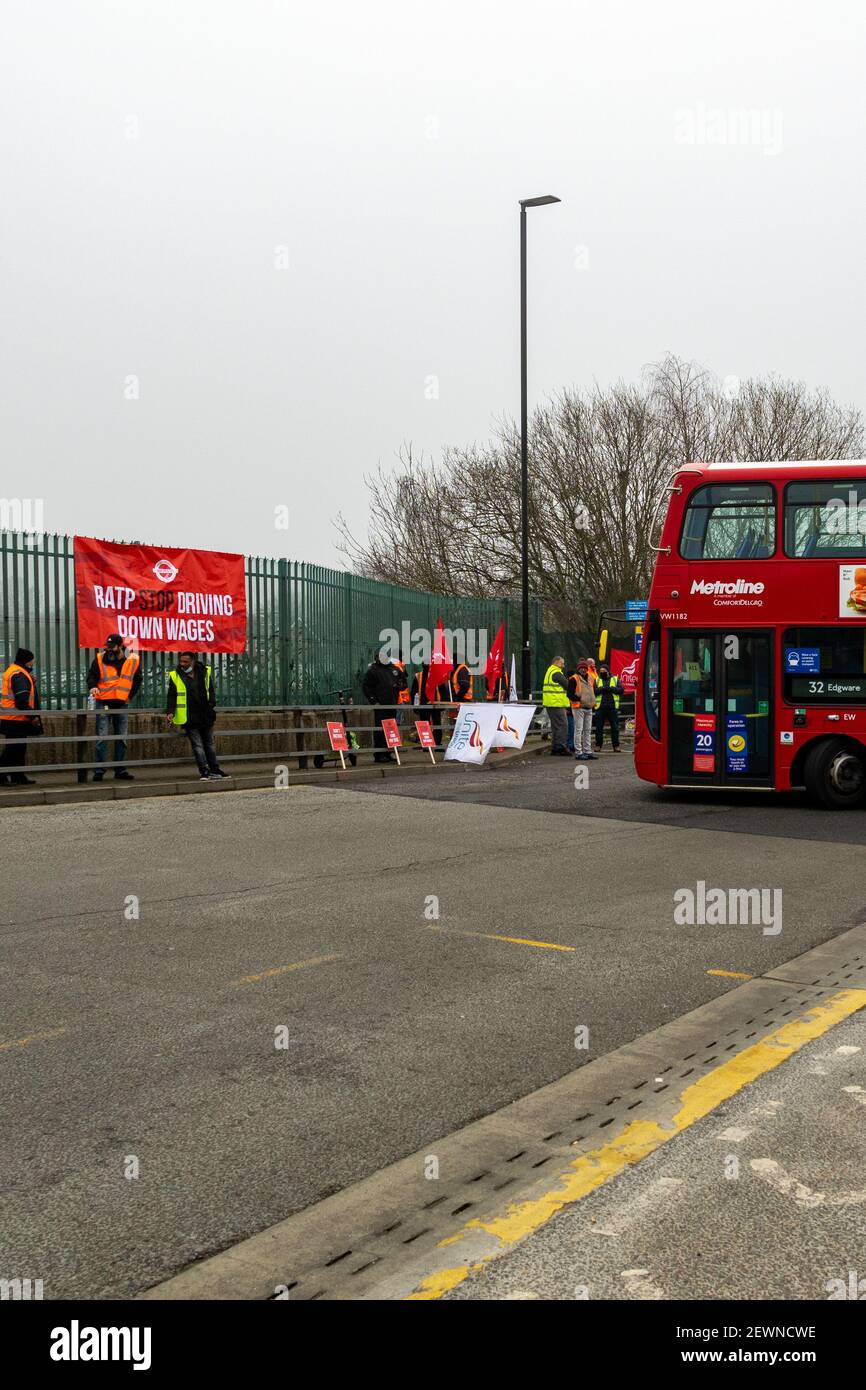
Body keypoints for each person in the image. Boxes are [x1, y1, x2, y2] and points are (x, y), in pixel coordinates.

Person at [165, 651, 229, 780]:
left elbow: (210, 689)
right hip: (189, 716)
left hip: (205, 714)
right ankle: (204, 771)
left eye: (186, 662)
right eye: (181, 661)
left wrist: (211, 704)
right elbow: (172, 695)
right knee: (197, 745)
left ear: (193, 661)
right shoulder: (175, 675)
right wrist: (170, 712)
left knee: (209, 744)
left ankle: (215, 770)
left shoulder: (204, 672)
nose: (182, 664)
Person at [87, 633, 142, 781]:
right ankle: (99, 770)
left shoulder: (131, 661)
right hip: (104, 702)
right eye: (108, 647)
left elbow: (137, 679)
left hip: (122, 703)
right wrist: (92, 686)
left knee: (122, 738)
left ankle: (120, 769)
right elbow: (92, 676)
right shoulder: (99, 659)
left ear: (120, 647)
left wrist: (130, 696)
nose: (109, 650)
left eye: (112, 647)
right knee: (101, 738)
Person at [0, 647, 43, 785]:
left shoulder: (14, 671)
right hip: (15, 718)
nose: (33, 663)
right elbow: (21, 701)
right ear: (26, 661)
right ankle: (3, 776)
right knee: (13, 749)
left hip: (12, 717)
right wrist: (33, 716)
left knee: (18, 748)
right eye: (32, 660)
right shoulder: (19, 674)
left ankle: (18, 776)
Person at [362, 649, 402, 762]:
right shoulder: (373, 671)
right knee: (380, 729)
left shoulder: (393, 668)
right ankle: (379, 754)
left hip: (392, 704)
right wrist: (374, 701)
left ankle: (388, 752)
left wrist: (399, 685)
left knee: (390, 729)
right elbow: (366, 687)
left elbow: (402, 681)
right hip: (381, 705)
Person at [410, 662, 445, 748]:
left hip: (435, 703)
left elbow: (442, 690)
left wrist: (443, 703)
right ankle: (427, 744)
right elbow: (414, 692)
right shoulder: (419, 676)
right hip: (424, 704)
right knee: (425, 724)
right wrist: (415, 705)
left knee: (436, 723)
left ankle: (436, 744)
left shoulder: (437, 675)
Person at [568, 659, 597, 761]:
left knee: (587, 730)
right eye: (582, 668)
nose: (584, 670)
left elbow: (594, 690)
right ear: (578, 669)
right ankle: (579, 752)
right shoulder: (573, 679)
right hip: (578, 707)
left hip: (588, 707)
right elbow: (569, 694)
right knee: (579, 730)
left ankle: (587, 751)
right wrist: (580, 699)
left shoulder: (590, 678)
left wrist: (592, 701)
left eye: (585, 668)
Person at [542, 656, 570, 756]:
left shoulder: (550, 671)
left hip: (551, 703)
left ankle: (555, 748)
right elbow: (567, 685)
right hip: (556, 703)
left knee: (556, 727)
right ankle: (560, 748)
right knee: (563, 726)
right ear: (556, 662)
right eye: (562, 663)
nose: (563, 665)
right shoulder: (556, 672)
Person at [594, 664, 622, 751]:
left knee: (615, 728)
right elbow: (594, 691)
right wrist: (602, 689)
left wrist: (612, 689)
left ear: (608, 671)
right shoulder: (597, 680)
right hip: (600, 707)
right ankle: (598, 745)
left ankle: (616, 746)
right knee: (599, 728)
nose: (602, 673)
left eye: (604, 671)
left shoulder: (615, 679)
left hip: (612, 707)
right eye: (601, 671)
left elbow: (621, 690)